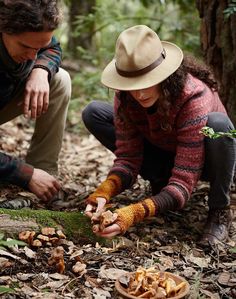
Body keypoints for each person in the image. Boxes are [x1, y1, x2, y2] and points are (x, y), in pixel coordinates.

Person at [82, 24, 236, 246]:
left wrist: (135, 212)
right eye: (132, 84)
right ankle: (160, 178)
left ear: (165, 75)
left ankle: (219, 210)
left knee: (219, 125)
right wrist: (103, 192)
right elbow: (128, 159)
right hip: (166, 150)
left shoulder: (193, 97)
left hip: (208, 160)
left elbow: (183, 182)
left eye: (147, 82)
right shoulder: (126, 97)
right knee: (94, 112)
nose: (140, 93)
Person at [0, 0, 71, 202]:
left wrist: (41, 71)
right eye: (25, 46)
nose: (33, 55)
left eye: (39, 47)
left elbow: (53, 48)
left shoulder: (35, 31)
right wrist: (24, 174)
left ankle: (45, 176)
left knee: (60, 80)